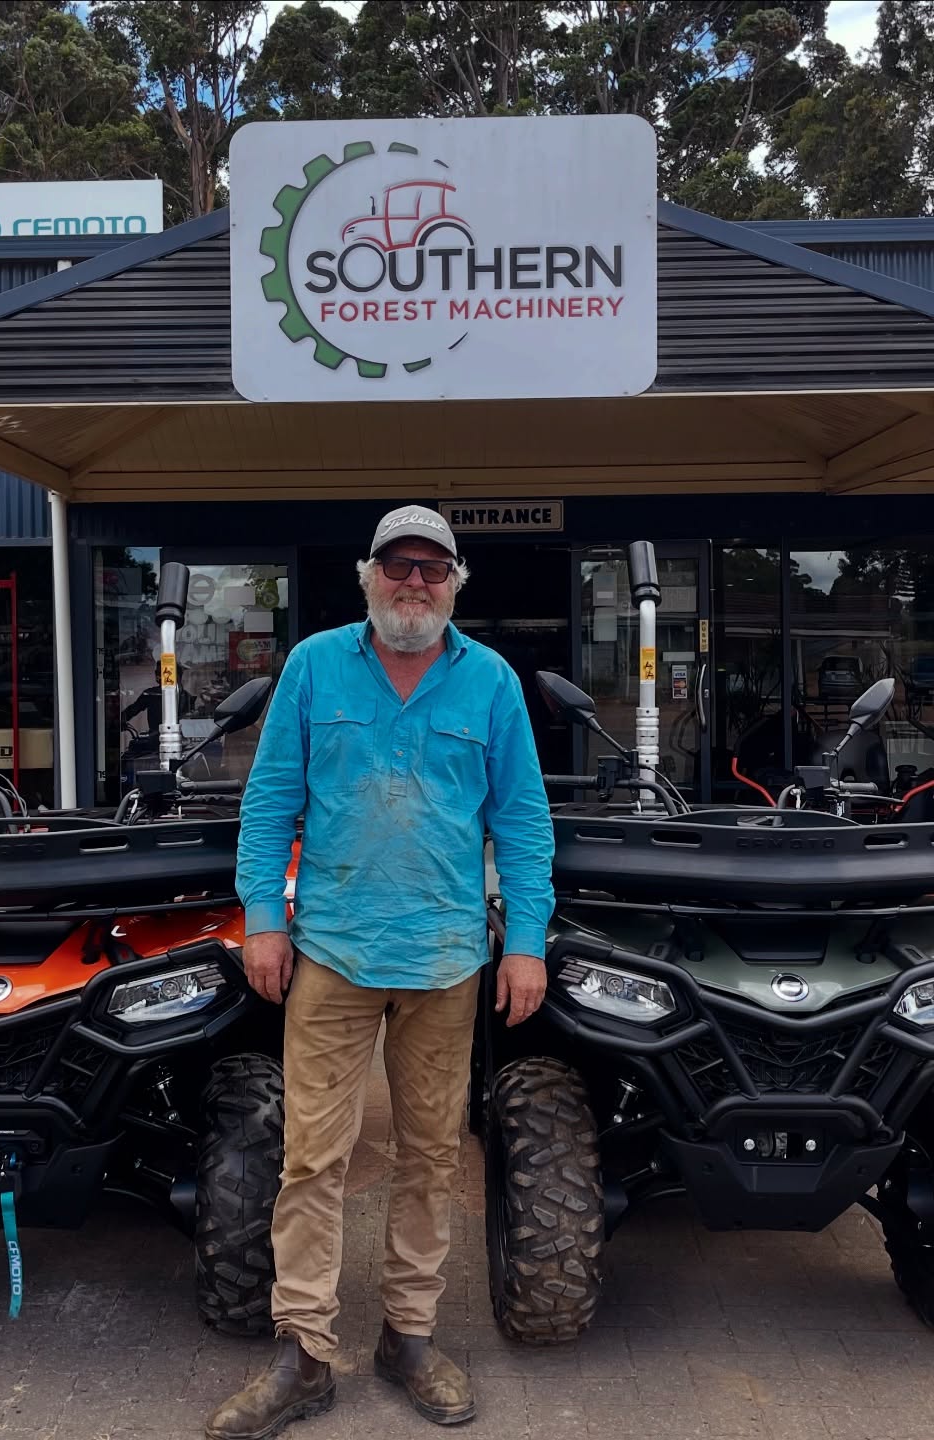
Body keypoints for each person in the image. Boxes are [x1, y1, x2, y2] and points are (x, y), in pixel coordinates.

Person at [206, 506, 555, 1439]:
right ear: (367, 576)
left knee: (432, 1157)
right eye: (398, 566)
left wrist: (526, 940)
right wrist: (264, 923)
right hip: (332, 951)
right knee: (312, 1157)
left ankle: (409, 1337)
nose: (414, 583)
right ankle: (304, 1352)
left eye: (432, 569)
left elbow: (521, 822)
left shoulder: (491, 683)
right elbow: (269, 799)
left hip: (446, 959)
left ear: (455, 583)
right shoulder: (317, 665)